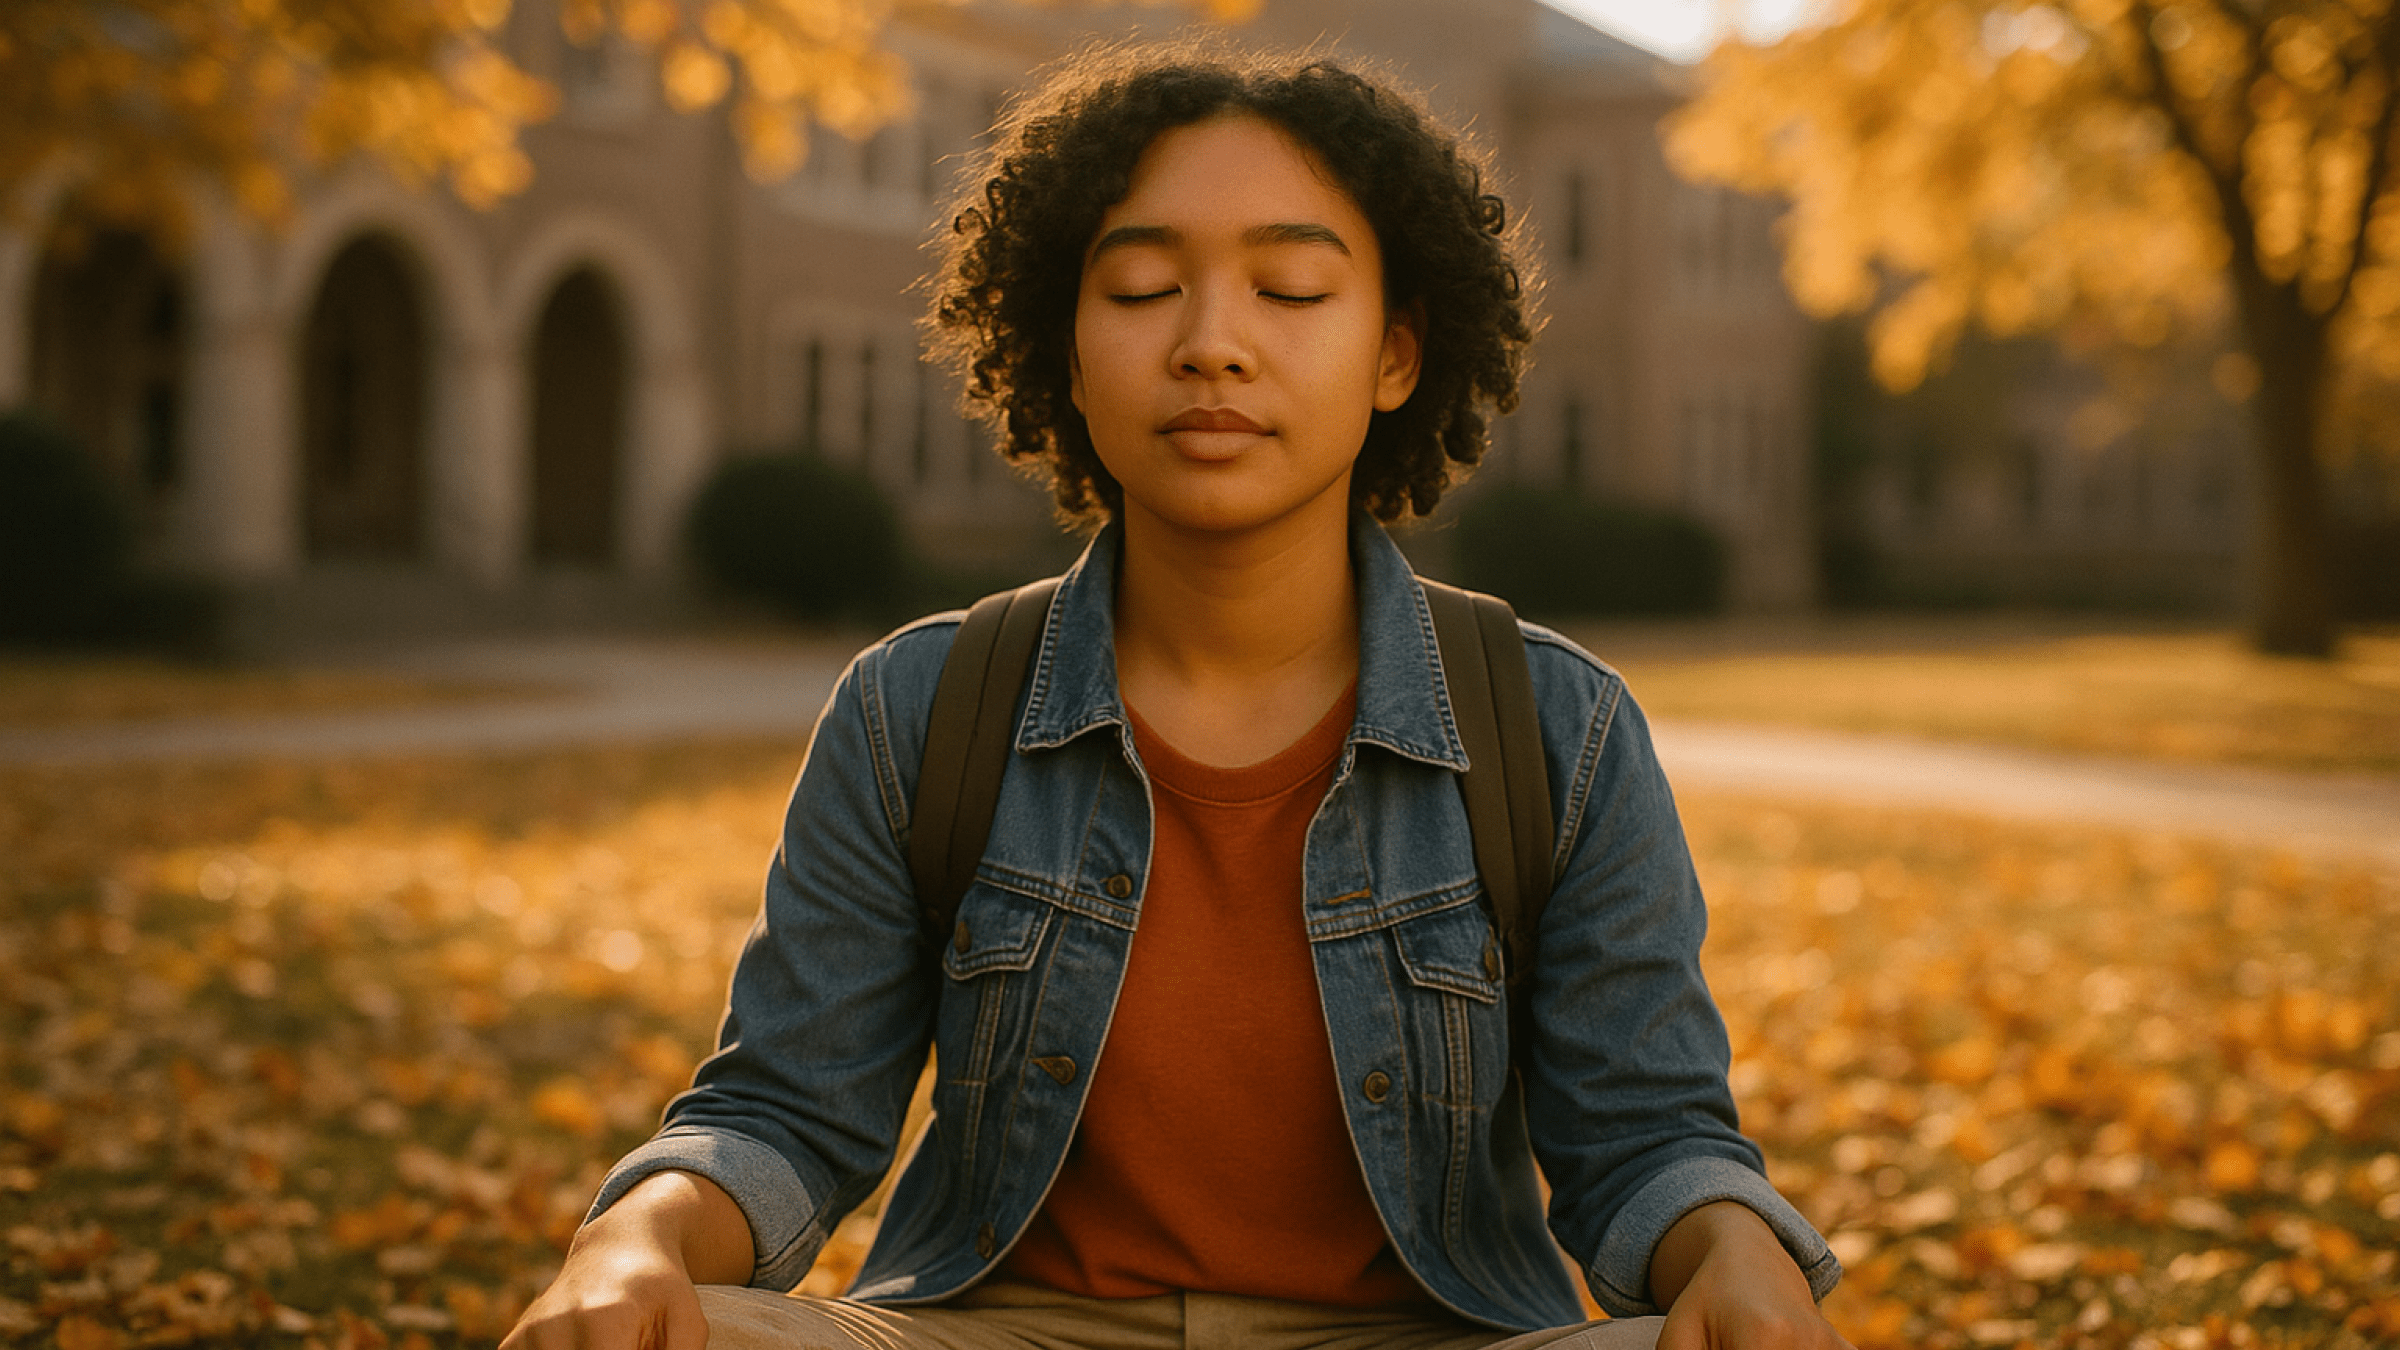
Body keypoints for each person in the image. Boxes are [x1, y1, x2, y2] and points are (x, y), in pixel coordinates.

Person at [502, 40, 1849, 1350]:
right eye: (1144, 287)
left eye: (1291, 289)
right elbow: (784, 1113)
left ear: (1395, 355)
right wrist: (635, 1239)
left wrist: (1735, 1248)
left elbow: (1649, 1139)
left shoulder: (1557, 728)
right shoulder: (919, 708)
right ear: (1069, 352)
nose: (1212, 343)